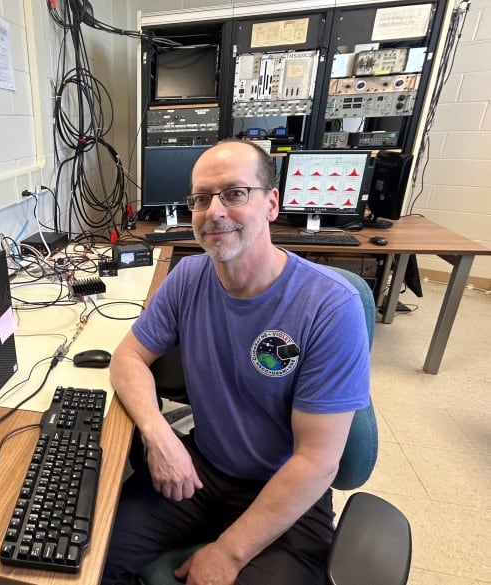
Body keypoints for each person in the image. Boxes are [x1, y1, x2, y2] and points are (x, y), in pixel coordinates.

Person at [102, 140, 370, 585]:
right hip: (204, 469)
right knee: (87, 554)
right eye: (201, 198)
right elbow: (128, 357)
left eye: (235, 193)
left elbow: (316, 460)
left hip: (284, 489)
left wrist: (227, 552)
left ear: (271, 204)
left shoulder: (329, 306)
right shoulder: (188, 277)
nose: (214, 211)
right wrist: (159, 435)